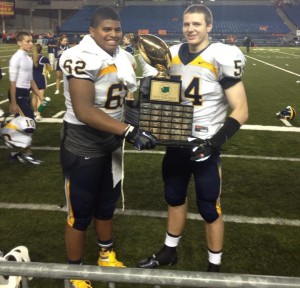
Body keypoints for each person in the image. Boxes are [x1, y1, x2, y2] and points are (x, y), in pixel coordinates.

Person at [137, 4, 248, 272]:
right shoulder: (170, 54)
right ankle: (169, 251)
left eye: (197, 24)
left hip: (206, 144)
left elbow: (242, 110)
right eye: (187, 24)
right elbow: (159, 91)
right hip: (176, 141)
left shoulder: (221, 55)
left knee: (209, 207)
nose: (191, 29)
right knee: (174, 197)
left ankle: (214, 266)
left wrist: (214, 143)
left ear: (209, 26)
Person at [59, 6, 156, 288]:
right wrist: (129, 130)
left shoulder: (124, 56)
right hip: (83, 142)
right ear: (92, 31)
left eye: (117, 29)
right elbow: (84, 110)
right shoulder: (78, 56)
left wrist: (144, 116)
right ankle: (74, 273)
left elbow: (125, 100)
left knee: (106, 205)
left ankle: (105, 254)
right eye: (106, 29)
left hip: (112, 141)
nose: (113, 34)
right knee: (80, 213)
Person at [7, 31, 45, 165]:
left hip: (25, 93)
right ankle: (27, 154)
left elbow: (31, 80)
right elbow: (12, 83)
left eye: (31, 41)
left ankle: (14, 152)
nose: (30, 44)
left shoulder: (28, 58)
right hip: (17, 94)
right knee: (29, 125)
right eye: (27, 41)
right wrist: (13, 102)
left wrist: (39, 94)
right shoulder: (16, 58)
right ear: (19, 43)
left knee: (20, 125)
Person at [32, 43, 51, 120]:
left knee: (34, 96)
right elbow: (50, 68)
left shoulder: (31, 57)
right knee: (40, 97)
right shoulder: (43, 58)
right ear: (41, 50)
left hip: (32, 78)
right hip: (40, 78)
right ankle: (38, 115)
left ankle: (35, 112)